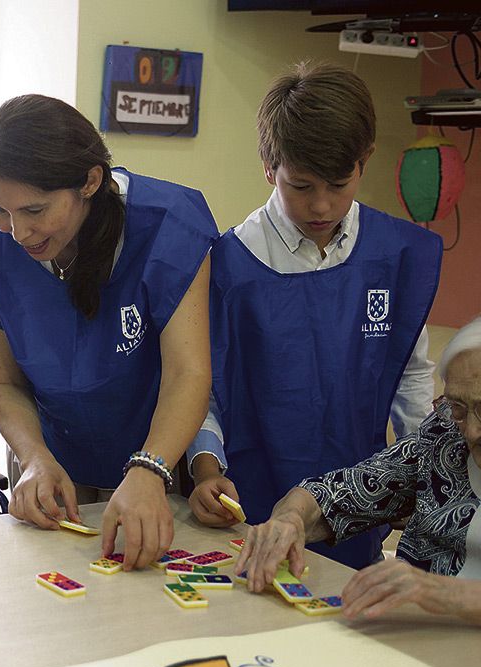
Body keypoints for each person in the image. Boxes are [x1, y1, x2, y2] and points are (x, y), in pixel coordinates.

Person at [0, 94, 219, 569]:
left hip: (155, 458)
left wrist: (150, 469)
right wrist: (33, 458)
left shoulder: (168, 227)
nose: (18, 232)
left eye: (35, 210)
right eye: (0, 210)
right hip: (48, 463)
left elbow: (188, 374)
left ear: (91, 181)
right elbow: (3, 381)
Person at [194, 63, 442, 568]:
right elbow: (202, 387)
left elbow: (410, 375)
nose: (322, 205)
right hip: (248, 505)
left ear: (365, 160)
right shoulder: (226, 266)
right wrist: (204, 467)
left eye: (338, 182)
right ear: (269, 168)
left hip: (357, 507)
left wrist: (426, 476)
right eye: (301, 186)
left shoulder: (395, 255)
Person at [235, 305, 481, 633]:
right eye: (458, 405)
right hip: (411, 644)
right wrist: (291, 519)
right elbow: (349, 488)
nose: (471, 430)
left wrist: (439, 592)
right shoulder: (446, 433)